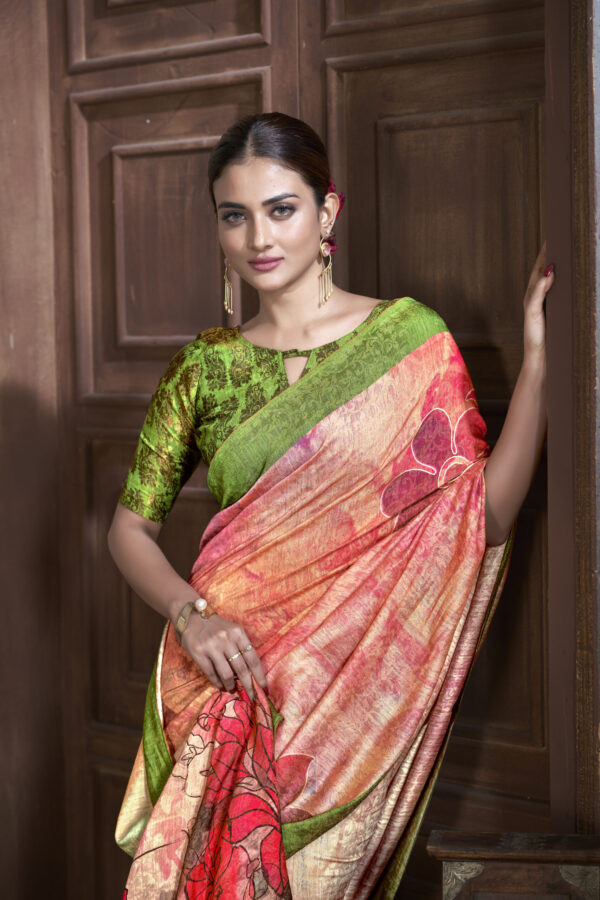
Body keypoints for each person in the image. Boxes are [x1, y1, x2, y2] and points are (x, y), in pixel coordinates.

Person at [108, 111, 554, 899]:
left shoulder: (410, 341)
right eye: (235, 215)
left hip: (350, 707)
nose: (258, 237)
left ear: (327, 213)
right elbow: (129, 530)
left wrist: (540, 361)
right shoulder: (202, 370)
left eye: (281, 209)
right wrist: (191, 617)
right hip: (225, 685)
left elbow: (479, 517)